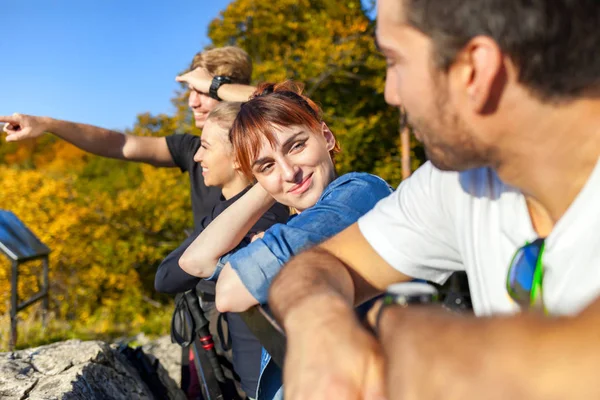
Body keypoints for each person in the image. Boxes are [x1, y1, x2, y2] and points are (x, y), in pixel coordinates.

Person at [267, 0, 600, 398]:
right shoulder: (462, 183)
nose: (390, 94)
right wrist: (319, 323)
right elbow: (322, 264)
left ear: (473, 71)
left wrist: (411, 335)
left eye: (394, 60)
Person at [0, 46, 269, 399]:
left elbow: (285, 102)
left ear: (228, 90)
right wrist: (48, 125)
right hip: (202, 312)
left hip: (254, 312)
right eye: (190, 92)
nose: (192, 102)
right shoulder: (192, 150)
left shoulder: (270, 150)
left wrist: (216, 85)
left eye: (202, 92)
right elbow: (121, 143)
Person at [178, 81, 393, 399]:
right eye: (266, 166)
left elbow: (228, 293)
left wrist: (273, 176)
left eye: (296, 146)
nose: (290, 171)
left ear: (327, 136)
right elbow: (194, 261)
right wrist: (270, 182)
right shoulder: (297, 223)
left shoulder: (358, 194)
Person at [153, 101, 289, 399]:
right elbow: (165, 276)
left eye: (205, 146)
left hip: (266, 383)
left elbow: (168, 276)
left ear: (239, 158)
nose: (198, 156)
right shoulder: (239, 211)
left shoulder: (256, 216)